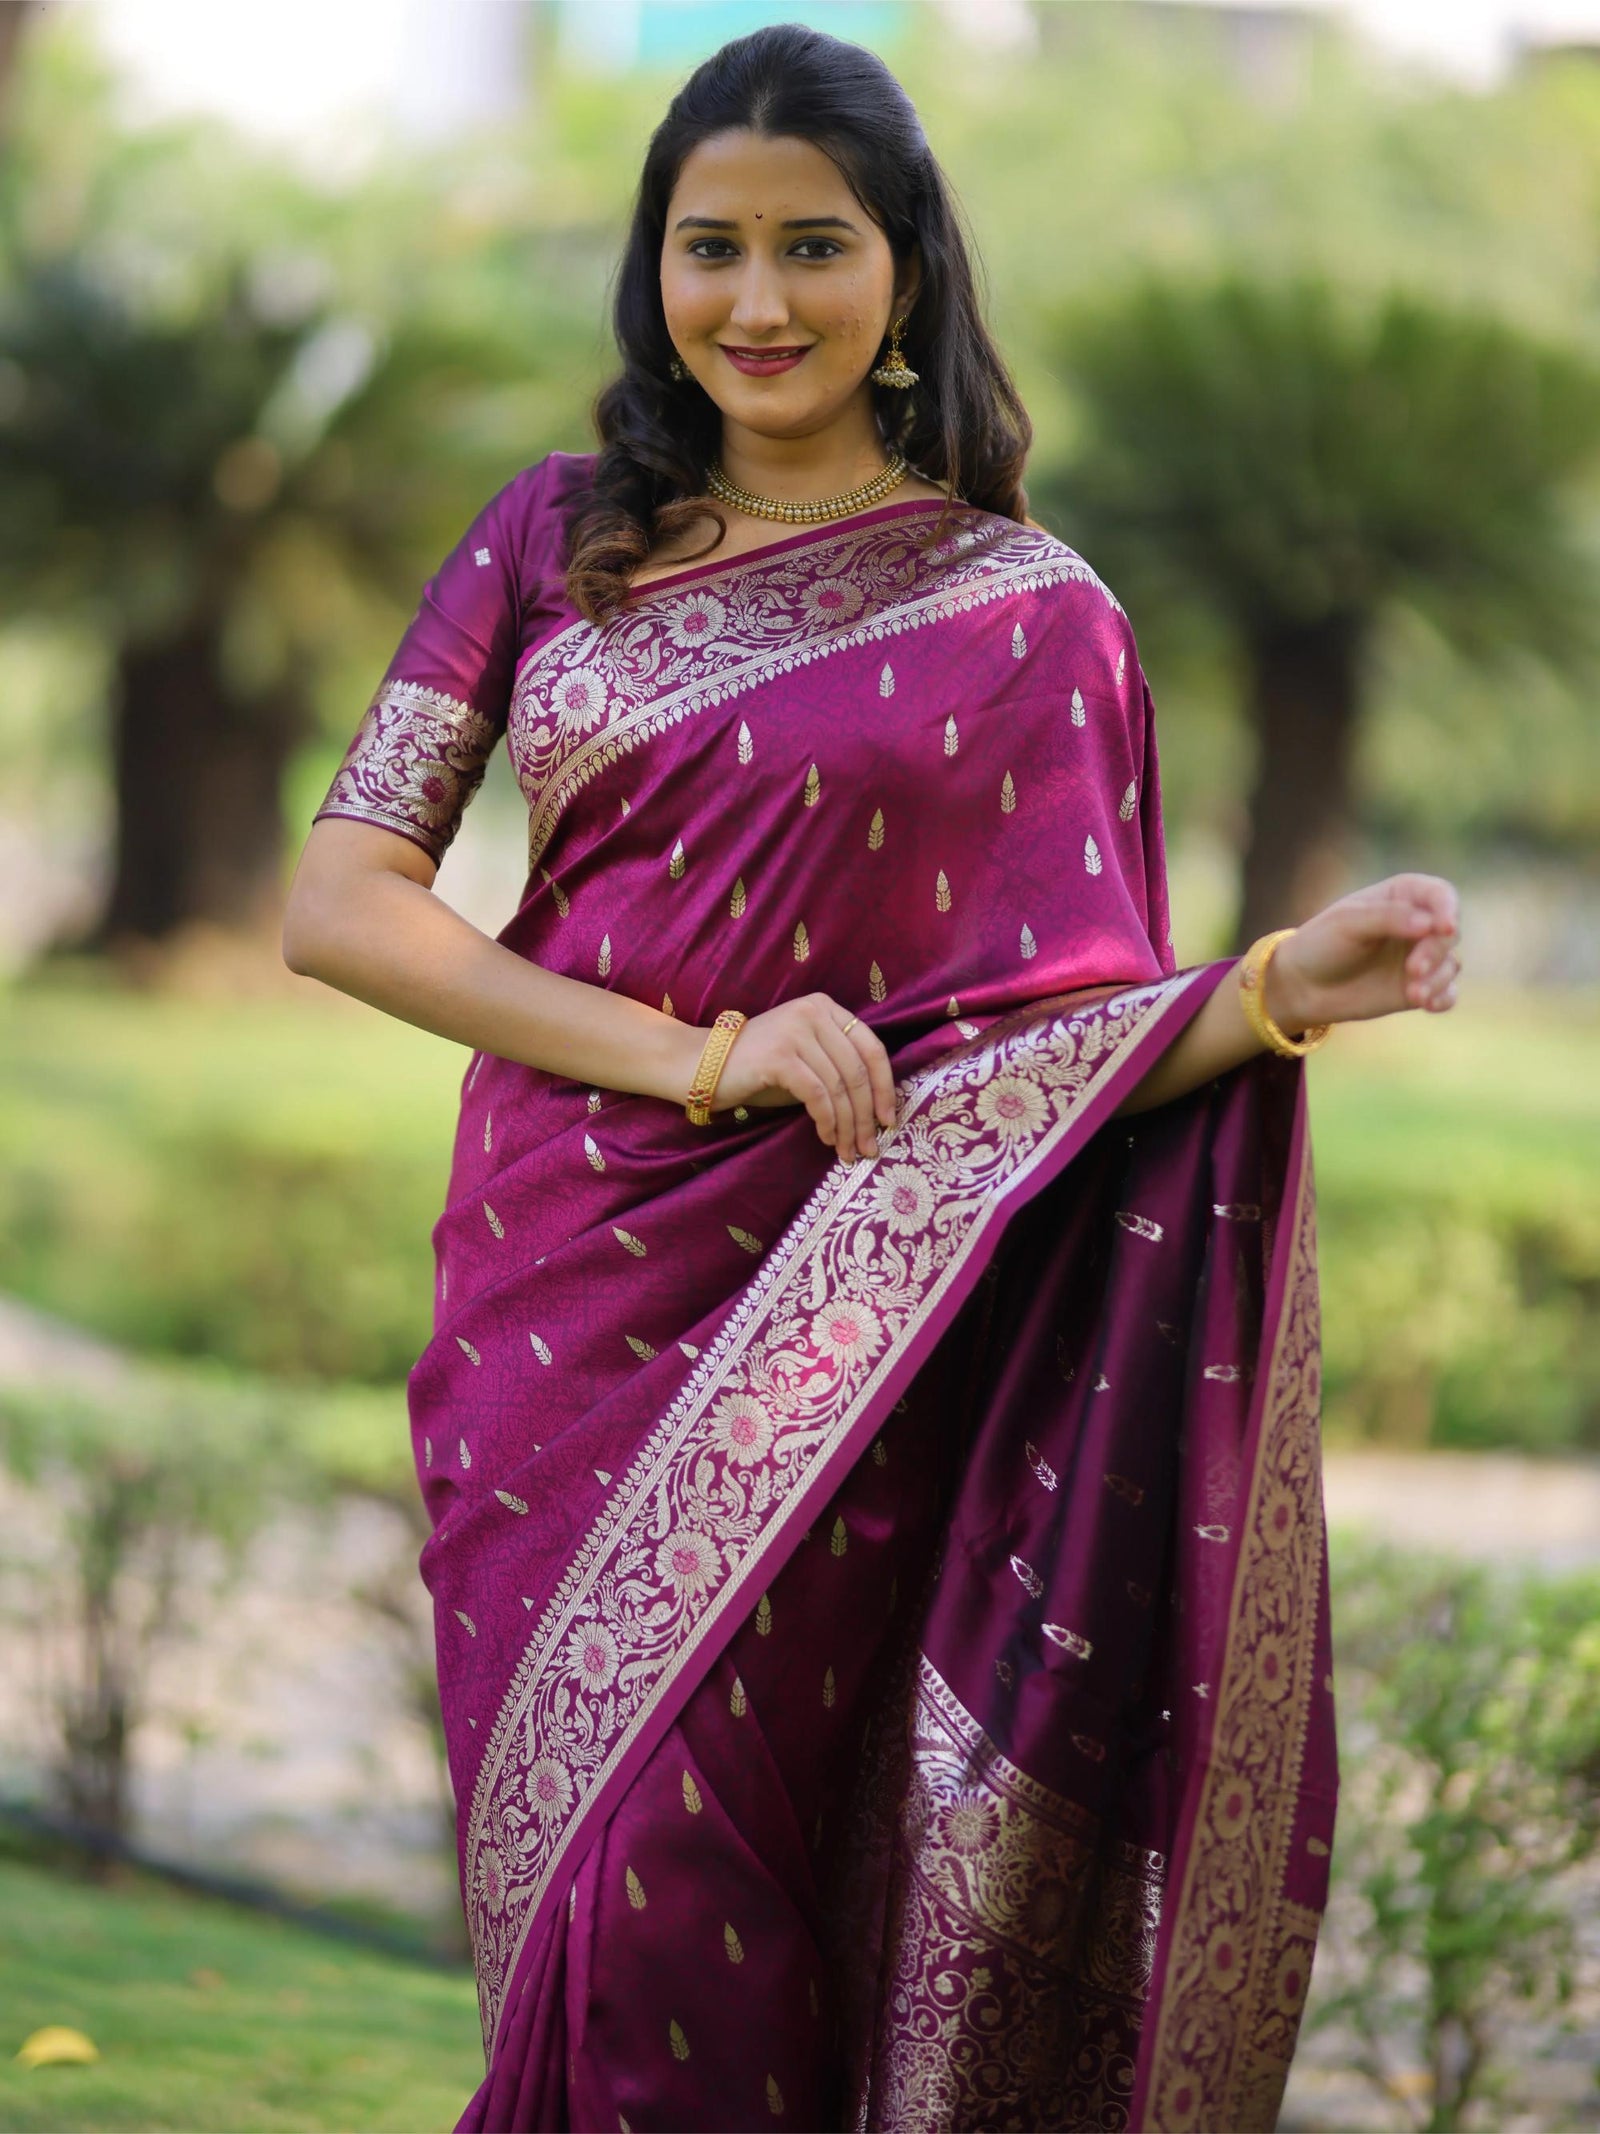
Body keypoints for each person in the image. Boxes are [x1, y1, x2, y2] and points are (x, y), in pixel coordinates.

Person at [282, 24, 1459, 2133]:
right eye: (706, 247)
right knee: (598, 1901)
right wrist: (700, 1053)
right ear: (652, 265)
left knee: (722, 1894)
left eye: (812, 247)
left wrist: (1287, 982)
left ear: (905, 266)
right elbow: (344, 903)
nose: (755, 301)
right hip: (556, 1305)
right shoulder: (554, 539)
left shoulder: (1031, 616)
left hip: (847, 1319)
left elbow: (1059, 1043)